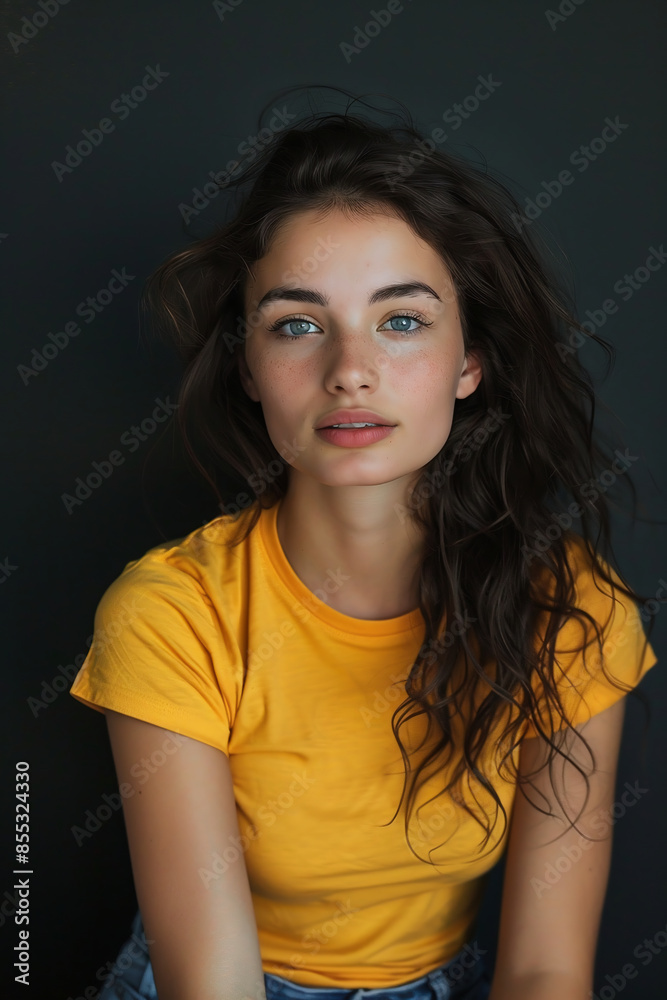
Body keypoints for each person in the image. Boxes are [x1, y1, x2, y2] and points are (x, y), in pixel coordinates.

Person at [69, 91, 660, 1000]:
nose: (349, 369)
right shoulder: (170, 612)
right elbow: (211, 983)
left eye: (402, 319)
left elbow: (545, 970)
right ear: (249, 367)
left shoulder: (569, 611)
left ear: (471, 362)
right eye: (298, 325)